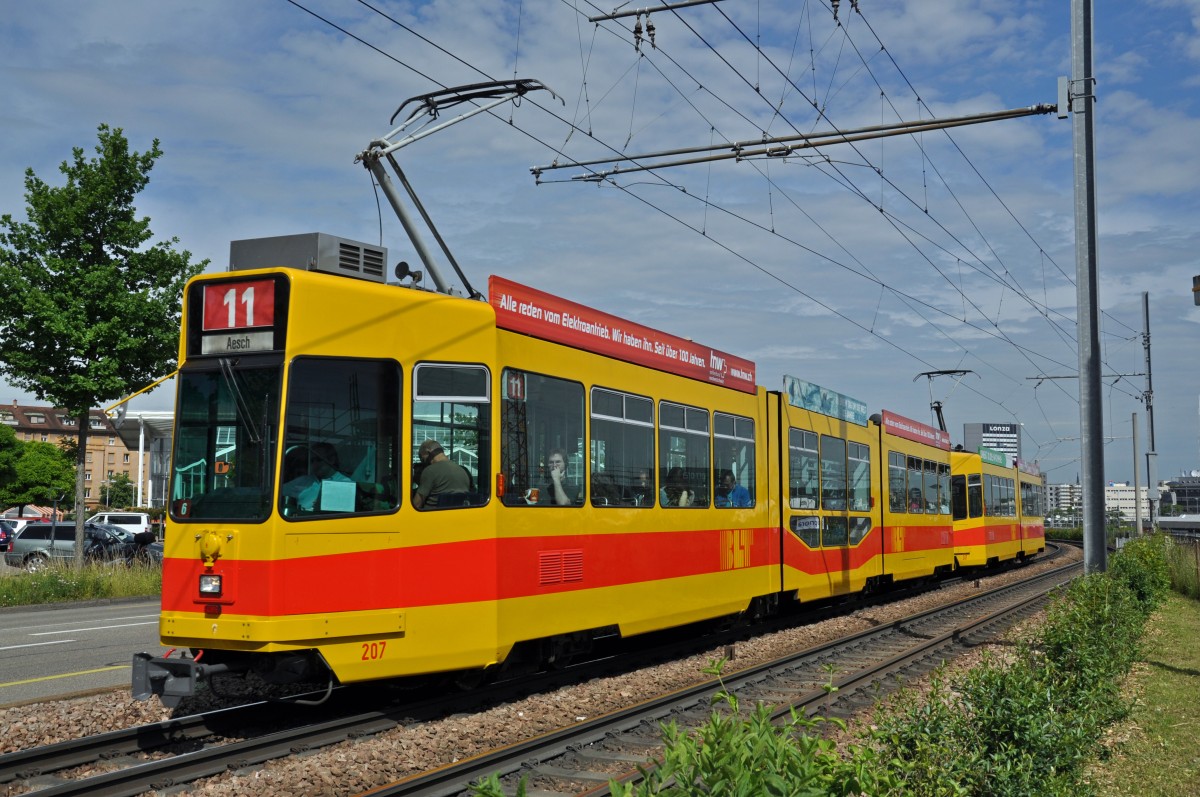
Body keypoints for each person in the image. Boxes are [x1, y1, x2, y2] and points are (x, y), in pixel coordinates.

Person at [280, 442, 353, 512]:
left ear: (331, 460)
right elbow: (278, 491)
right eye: (312, 461)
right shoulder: (304, 480)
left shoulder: (345, 483)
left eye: (318, 460)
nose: (315, 464)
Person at [414, 439, 472, 509]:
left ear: (428, 452)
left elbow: (416, 504)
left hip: (431, 516)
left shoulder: (430, 471)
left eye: (421, 457)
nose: (422, 461)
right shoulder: (462, 471)